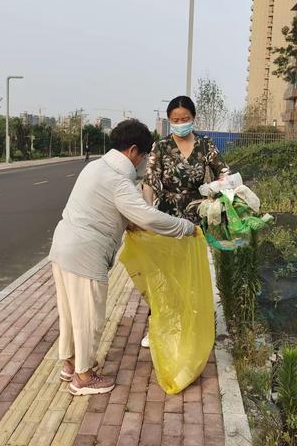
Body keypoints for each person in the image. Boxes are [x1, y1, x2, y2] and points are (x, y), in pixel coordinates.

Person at [48, 119, 196, 396]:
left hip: (63, 246)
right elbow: (147, 216)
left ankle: (68, 365)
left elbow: (111, 210)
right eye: (143, 155)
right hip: (85, 253)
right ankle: (83, 377)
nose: (142, 162)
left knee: (70, 313)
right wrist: (185, 228)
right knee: (89, 317)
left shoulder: (96, 167)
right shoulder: (118, 181)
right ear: (132, 150)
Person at [140, 95, 230, 348]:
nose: (180, 123)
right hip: (166, 215)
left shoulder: (204, 145)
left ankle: (192, 327)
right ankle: (158, 325)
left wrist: (221, 189)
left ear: (193, 118)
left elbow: (223, 171)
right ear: (169, 121)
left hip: (195, 215)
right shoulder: (161, 147)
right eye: (175, 120)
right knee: (164, 274)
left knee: (191, 272)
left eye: (185, 119)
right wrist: (146, 216)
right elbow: (149, 182)